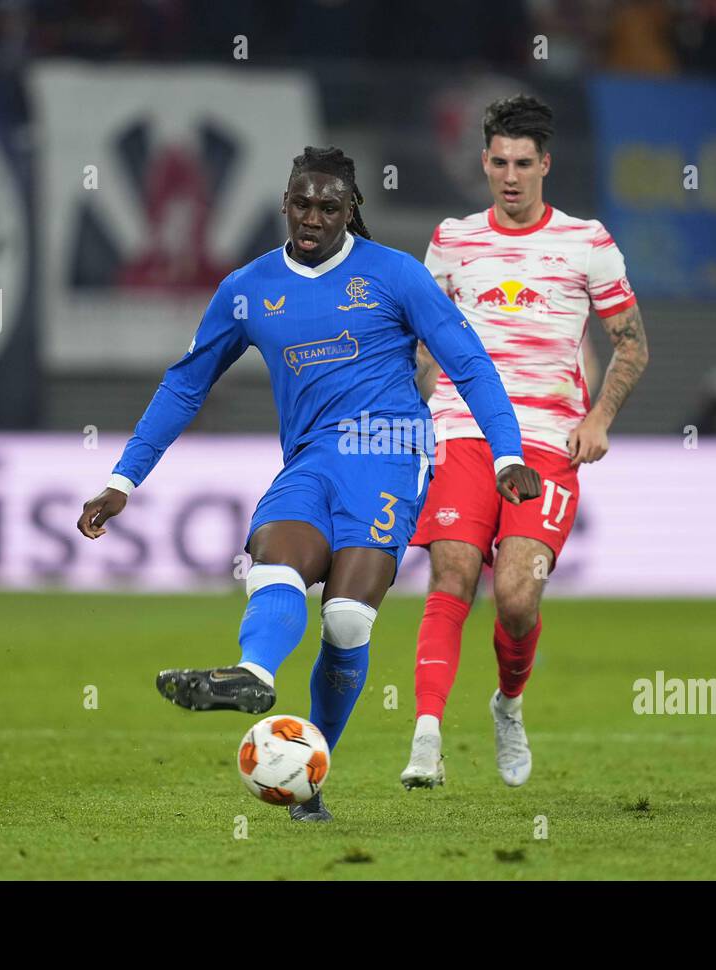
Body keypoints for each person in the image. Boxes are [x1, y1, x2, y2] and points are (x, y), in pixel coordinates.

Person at [77, 146, 541, 822]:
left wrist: (506, 457)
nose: (313, 217)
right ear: (285, 205)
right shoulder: (248, 288)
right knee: (275, 561)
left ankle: (310, 769)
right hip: (311, 461)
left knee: (348, 621)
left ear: (352, 210)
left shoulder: (396, 275)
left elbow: (469, 363)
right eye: (302, 203)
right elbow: (186, 383)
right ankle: (255, 675)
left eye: (329, 206)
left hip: (390, 456)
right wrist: (123, 478)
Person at [401, 96, 649, 790]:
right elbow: (422, 342)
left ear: (546, 164)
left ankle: (508, 703)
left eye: (523, 164)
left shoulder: (588, 242)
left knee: (515, 597)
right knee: (450, 570)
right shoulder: (451, 240)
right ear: (484, 162)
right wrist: (404, 403)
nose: (510, 177)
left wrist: (598, 419)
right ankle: (426, 737)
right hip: (464, 429)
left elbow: (631, 343)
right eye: (498, 163)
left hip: (545, 443)